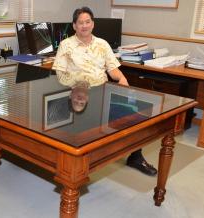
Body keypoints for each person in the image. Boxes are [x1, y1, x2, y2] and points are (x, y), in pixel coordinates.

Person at [52, 6, 157, 176]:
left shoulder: (102, 44)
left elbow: (113, 69)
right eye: (80, 23)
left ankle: (136, 156)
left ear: (93, 24)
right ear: (74, 26)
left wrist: (122, 79)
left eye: (87, 22)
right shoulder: (66, 45)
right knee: (86, 128)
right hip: (77, 97)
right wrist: (82, 83)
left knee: (135, 116)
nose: (84, 26)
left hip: (102, 94)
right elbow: (61, 76)